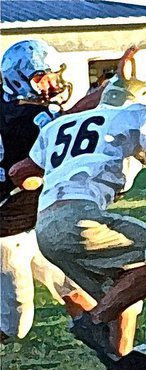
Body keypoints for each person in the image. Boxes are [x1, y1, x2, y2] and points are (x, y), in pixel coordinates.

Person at [11, 54, 146, 370]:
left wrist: (54, 183)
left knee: (125, 295)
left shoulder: (61, 126)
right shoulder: (131, 113)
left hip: (46, 227)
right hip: (79, 219)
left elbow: (22, 172)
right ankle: (94, 321)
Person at [0, 40, 101, 343]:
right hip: (8, 231)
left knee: (77, 292)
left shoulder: (16, 110)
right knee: (15, 325)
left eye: (53, 75)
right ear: (18, 79)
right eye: (41, 77)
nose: (52, 84)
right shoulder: (24, 118)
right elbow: (66, 124)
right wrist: (103, 96)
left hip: (37, 225)